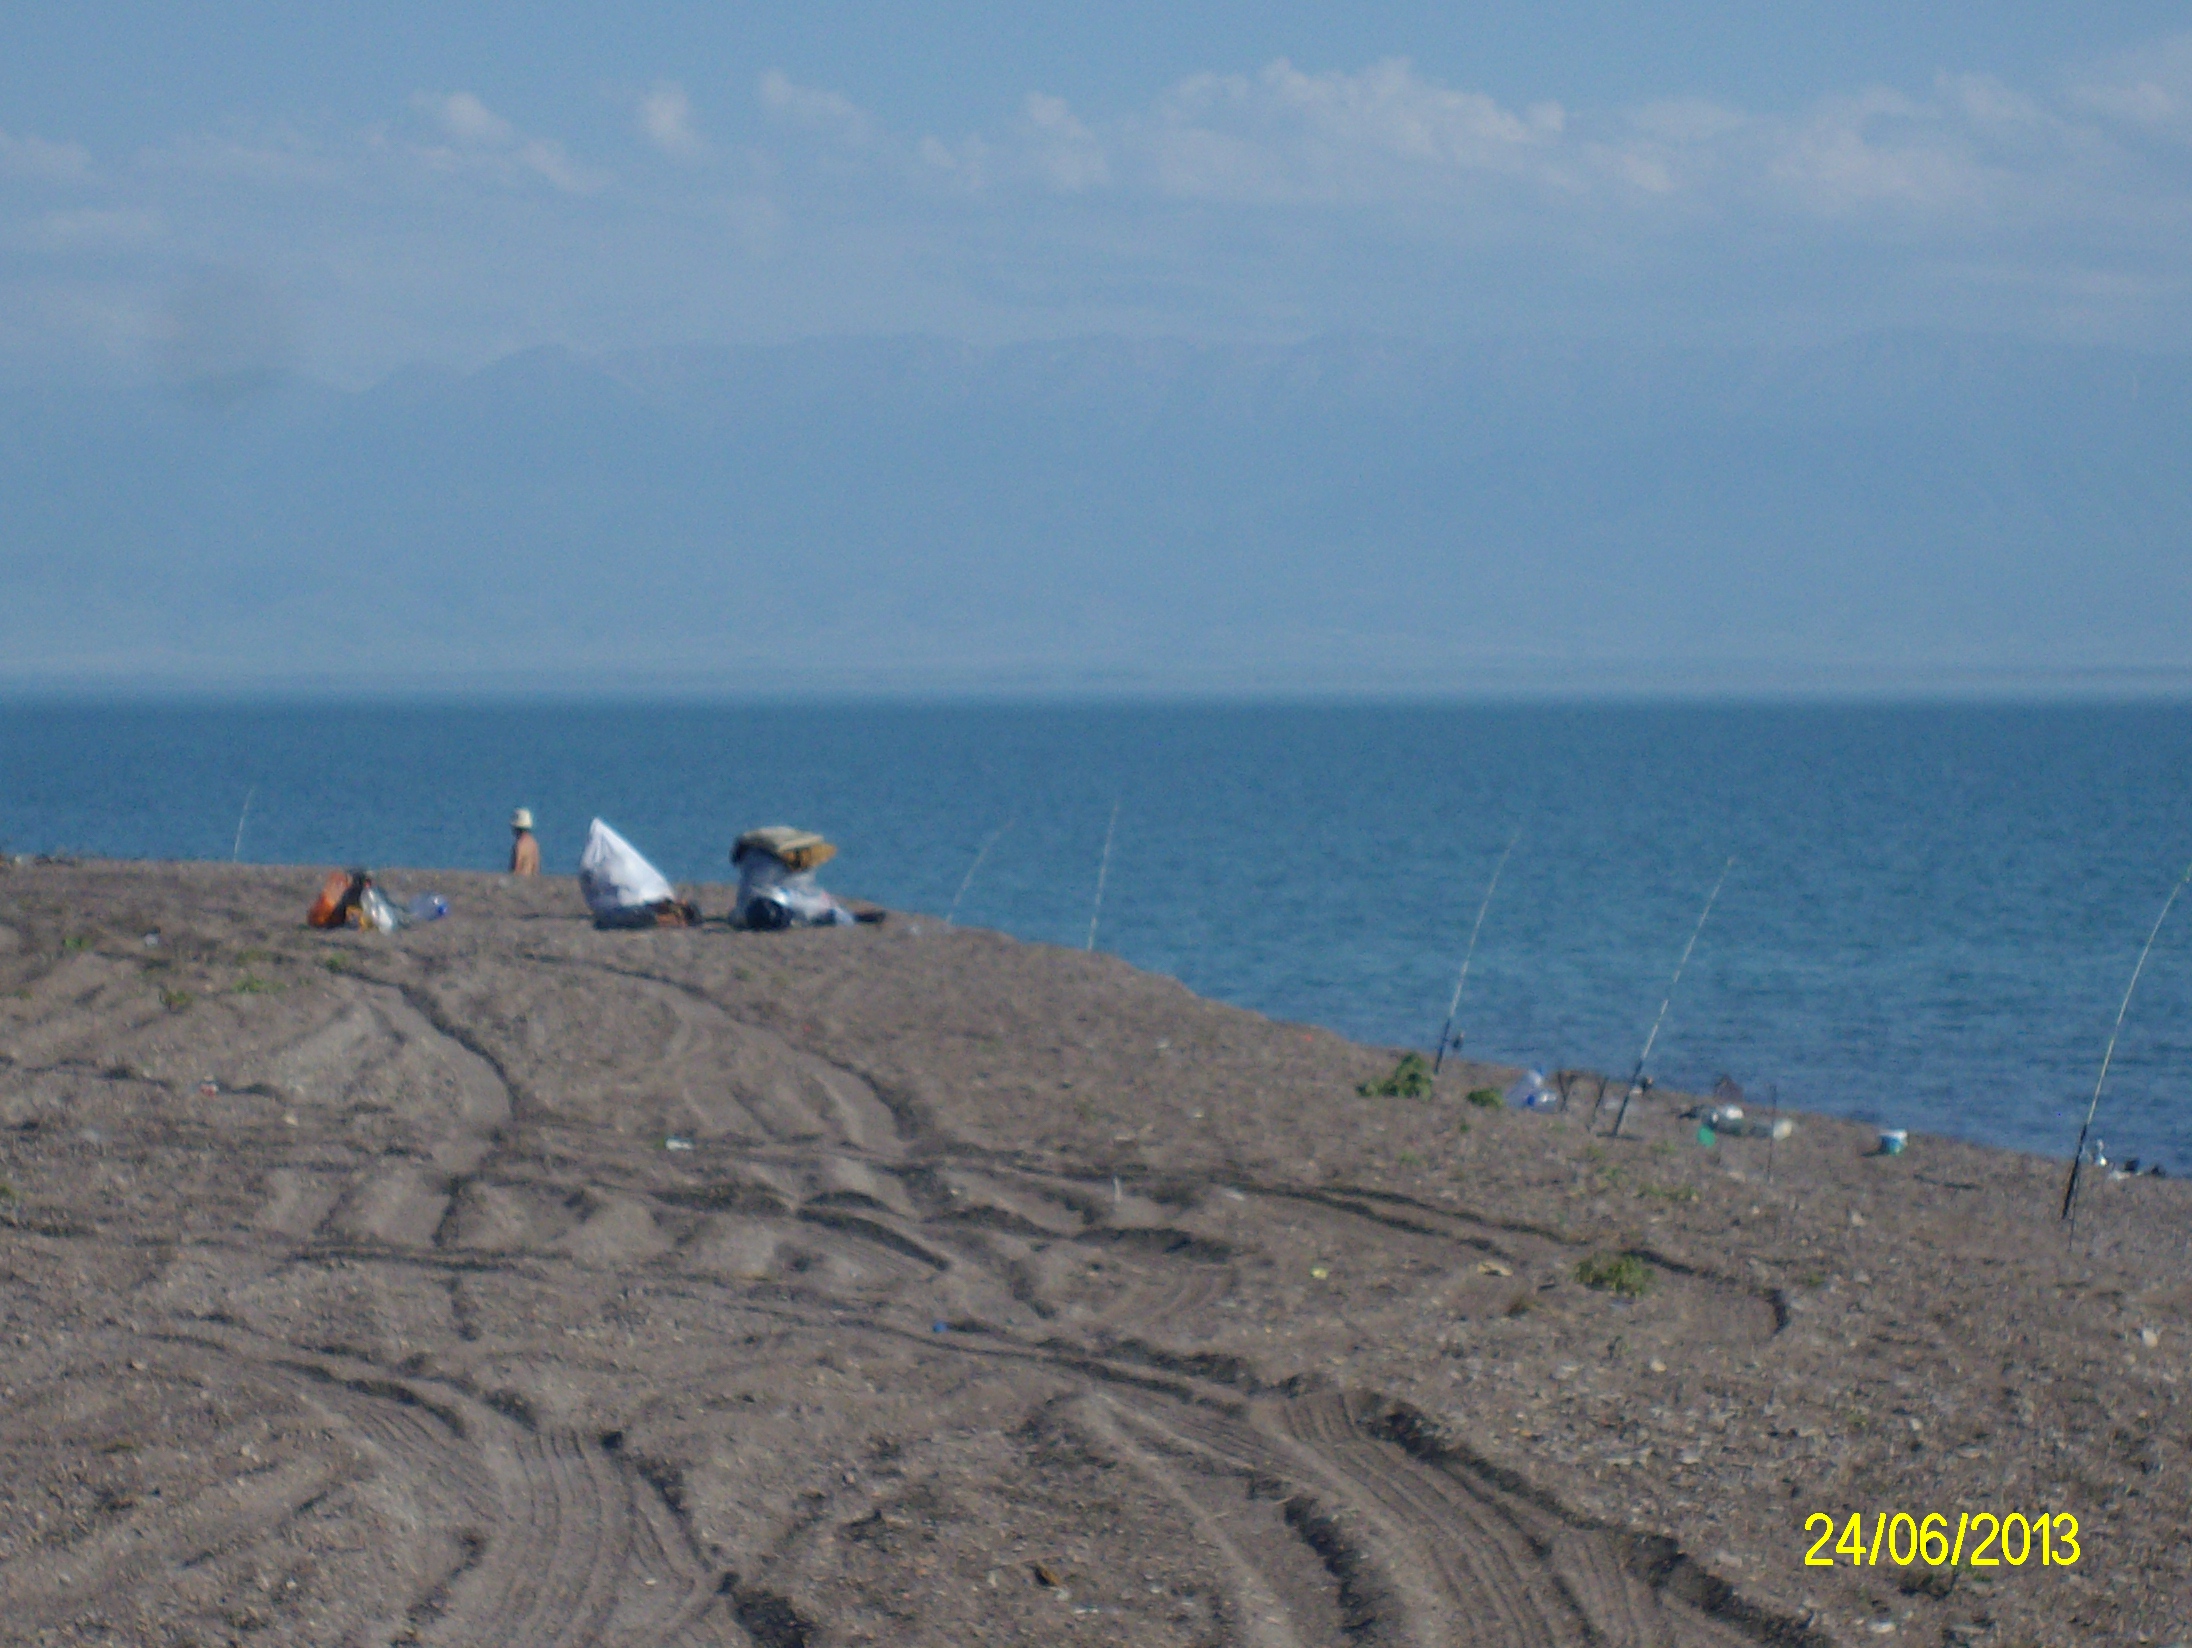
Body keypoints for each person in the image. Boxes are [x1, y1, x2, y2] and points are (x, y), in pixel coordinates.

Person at [509, 808, 540, 876]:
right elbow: (536, 867)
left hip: (519, 882)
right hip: (530, 882)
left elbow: (516, 867)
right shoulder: (534, 843)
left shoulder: (519, 845)